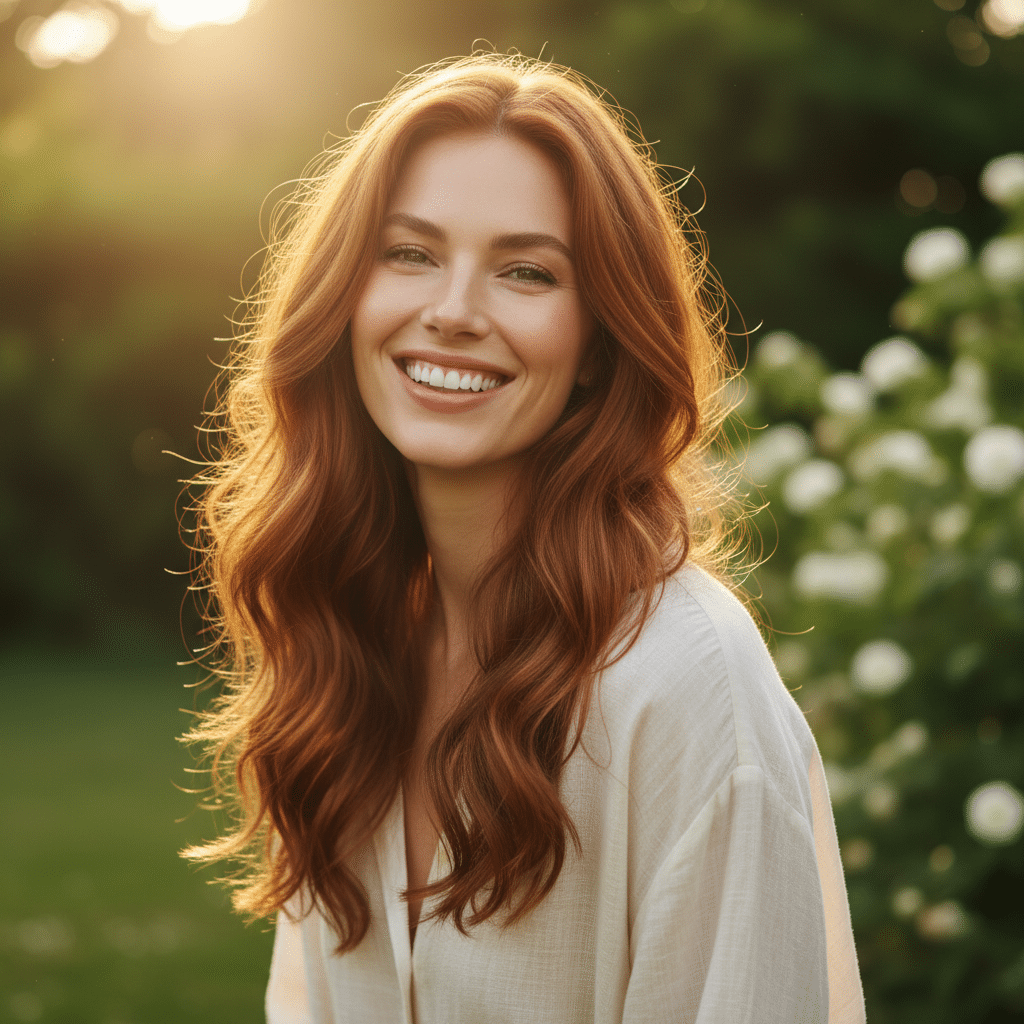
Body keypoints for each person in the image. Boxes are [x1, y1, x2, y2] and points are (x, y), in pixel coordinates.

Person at [183, 53, 866, 1023]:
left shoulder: (682, 687)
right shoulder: (358, 639)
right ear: (345, 297)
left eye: (525, 272)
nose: (453, 312)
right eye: (410, 253)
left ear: (598, 344)